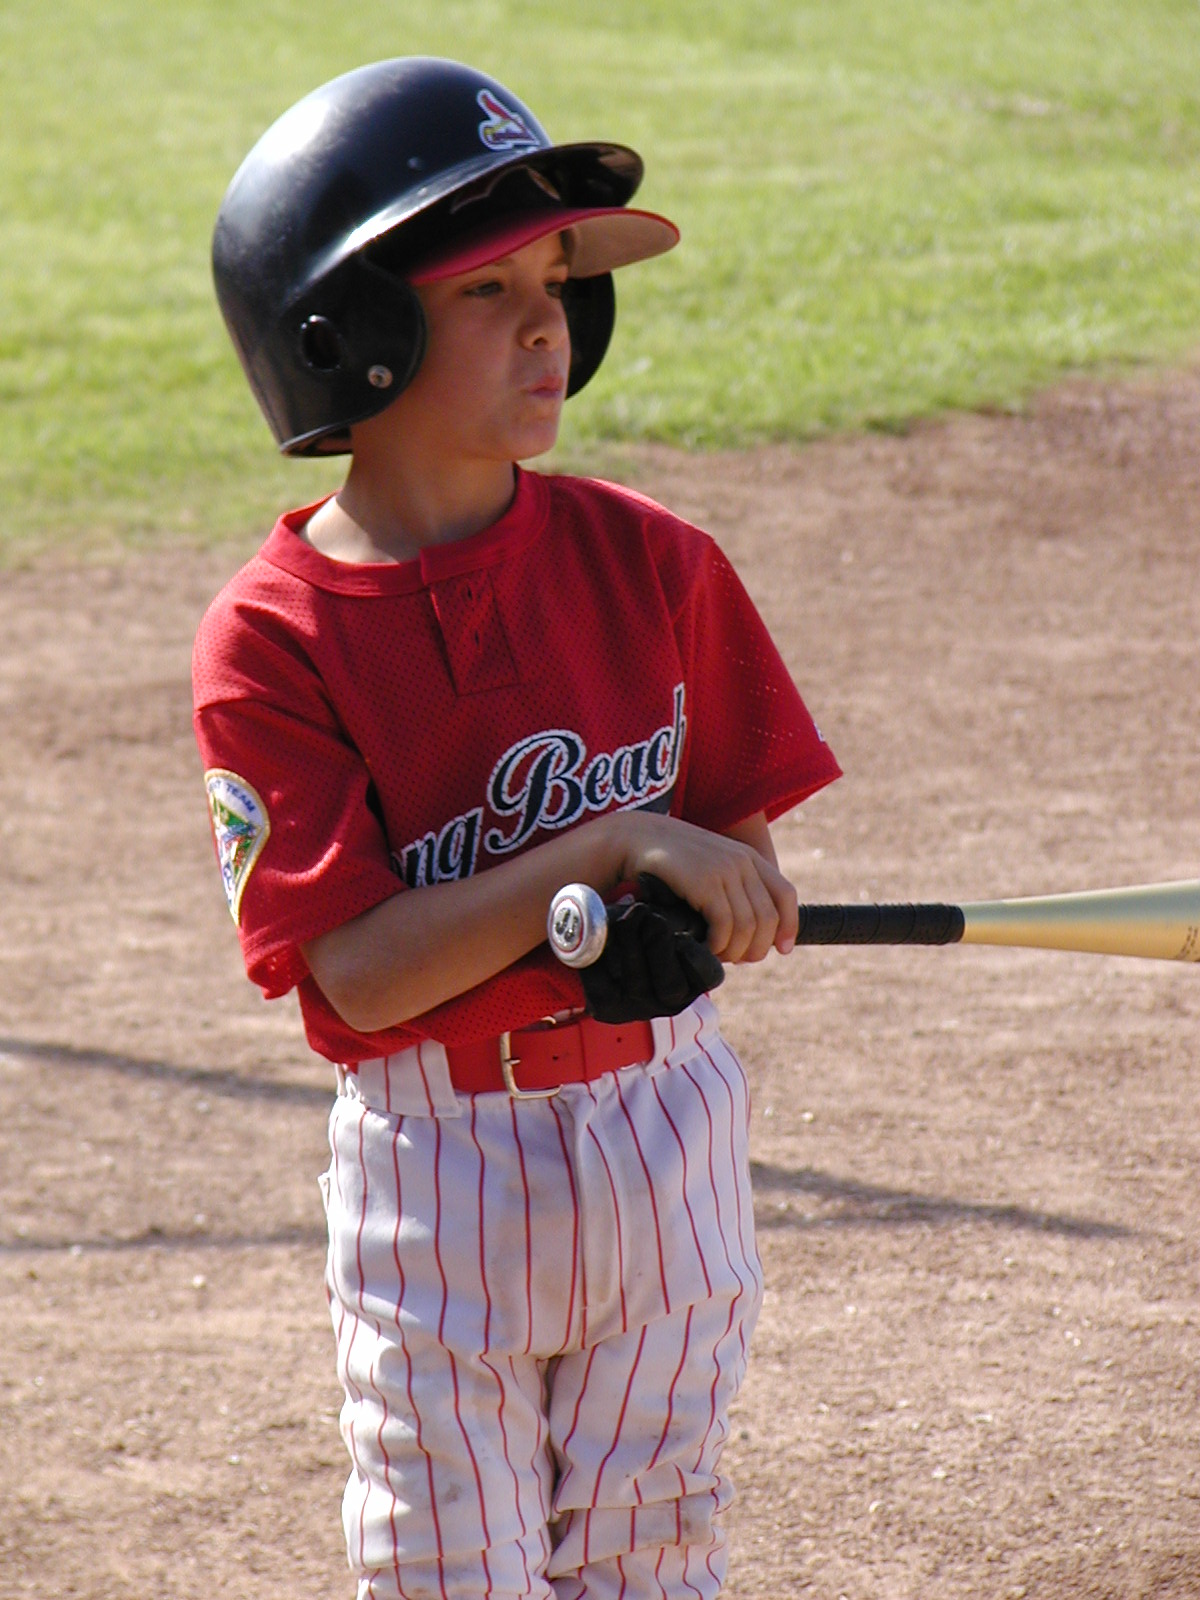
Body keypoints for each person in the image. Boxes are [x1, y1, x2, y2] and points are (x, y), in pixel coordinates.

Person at [193, 56, 841, 1600]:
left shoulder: (657, 562)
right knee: (449, 1572)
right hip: (443, 1169)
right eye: (486, 290)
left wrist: (699, 917)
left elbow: (736, 856)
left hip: (663, 1133)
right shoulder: (273, 637)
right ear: (345, 333)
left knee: (654, 1550)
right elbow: (361, 975)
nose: (547, 323)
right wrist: (605, 853)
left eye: (555, 283)